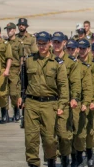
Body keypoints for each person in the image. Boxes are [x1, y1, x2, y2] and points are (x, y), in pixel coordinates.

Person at [20, 31, 69, 167]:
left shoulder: (57, 63)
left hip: (50, 104)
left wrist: (62, 105)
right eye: (39, 44)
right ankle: (33, 163)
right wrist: (21, 97)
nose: (41, 47)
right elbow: (23, 80)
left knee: (49, 139)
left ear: (50, 44)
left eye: (44, 44)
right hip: (31, 103)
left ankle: (51, 160)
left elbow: (63, 86)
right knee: (31, 138)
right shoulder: (29, 60)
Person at [52, 34, 80, 167]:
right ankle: (53, 158)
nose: (56, 45)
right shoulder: (47, 59)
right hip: (49, 101)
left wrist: (74, 98)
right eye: (54, 42)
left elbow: (75, 82)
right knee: (50, 134)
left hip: (66, 101)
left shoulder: (71, 62)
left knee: (65, 134)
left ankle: (66, 156)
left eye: (59, 42)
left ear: (64, 43)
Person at [5, 23, 24, 122]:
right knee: (4, 92)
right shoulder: (5, 42)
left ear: (14, 30)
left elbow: (21, 57)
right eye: (7, 30)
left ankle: (16, 111)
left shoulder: (19, 43)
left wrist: (20, 69)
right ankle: (5, 113)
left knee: (13, 92)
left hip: (15, 69)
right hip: (5, 69)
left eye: (10, 29)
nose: (8, 31)